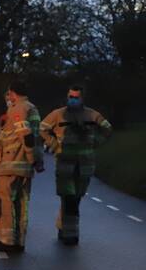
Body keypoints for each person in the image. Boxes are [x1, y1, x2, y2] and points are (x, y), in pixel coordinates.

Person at [40, 85, 113, 245]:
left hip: (85, 164)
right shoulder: (58, 114)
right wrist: (54, 145)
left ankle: (63, 226)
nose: (73, 100)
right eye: (70, 97)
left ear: (82, 98)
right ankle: (70, 234)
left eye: (76, 97)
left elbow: (107, 128)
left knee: (76, 198)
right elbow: (42, 128)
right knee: (69, 198)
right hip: (65, 163)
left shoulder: (92, 114)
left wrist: (96, 142)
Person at [0, 81, 43, 253]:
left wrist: (33, 158)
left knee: (6, 202)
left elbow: (25, 135)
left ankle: (7, 242)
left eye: (8, 94)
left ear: (13, 93)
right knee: (21, 204)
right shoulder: (32, 108)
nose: (8, 98)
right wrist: (36, 160)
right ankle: (18, 241)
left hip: (13, 163)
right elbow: (33, 137)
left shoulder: (18, 108)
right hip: (23, 165)